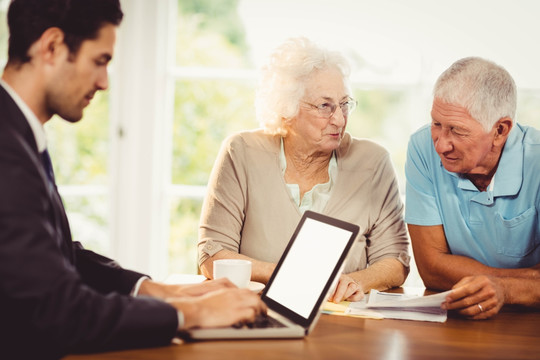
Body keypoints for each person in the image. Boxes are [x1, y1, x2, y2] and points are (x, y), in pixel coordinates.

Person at [0, 1, 265, 358]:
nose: (104, 82)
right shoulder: (7, 149)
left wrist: (155, 291)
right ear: (51, 46)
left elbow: (58, 257)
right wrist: (193, 313)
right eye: (100, 61)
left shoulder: (18, 134)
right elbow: (60, 312)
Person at [198, 37, 410, 303]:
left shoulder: (373, 162)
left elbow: (396, 261)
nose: (340, 119)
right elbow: (212, 254)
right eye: (325, 106)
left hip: (345, 322)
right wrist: (288, 276)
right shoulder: (241, 152)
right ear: (286, 109)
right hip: (257, 314)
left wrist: (355, 282)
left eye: (344, 104)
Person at [405, 56, 540, 320]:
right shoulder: (422, 147)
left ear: (500, 130)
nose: (441, 145)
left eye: (457, 130)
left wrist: (506, 289)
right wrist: (528, 280)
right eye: (437, 124)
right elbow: (431, 267)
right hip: (458, 315)